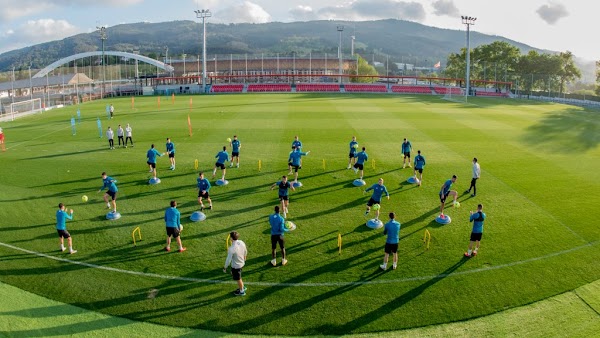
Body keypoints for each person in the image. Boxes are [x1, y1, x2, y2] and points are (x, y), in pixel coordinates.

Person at [223, 231, 247, 296]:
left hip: (236, 266)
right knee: (239, 277)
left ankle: (242, 291)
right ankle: (242, 287)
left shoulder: (231, 249)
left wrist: (225, 267)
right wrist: (245, 257)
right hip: (242, 263)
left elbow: (228, 260)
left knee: (238, 279)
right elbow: (245, 250)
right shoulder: (241, 242)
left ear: (231, 238)